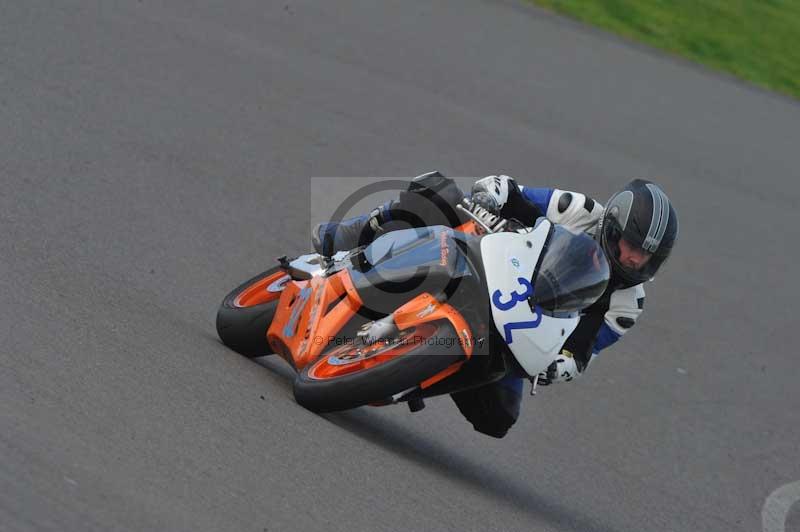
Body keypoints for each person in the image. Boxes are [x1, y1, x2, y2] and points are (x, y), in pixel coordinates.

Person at [312, 173, 679, 438]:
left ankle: (418, 368)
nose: (634, 259)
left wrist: (557, 368)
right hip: (491, 265)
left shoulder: (628, 304)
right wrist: (490, 196)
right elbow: (512, 192)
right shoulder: (578, 210)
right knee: (437, 194)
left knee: (498, 420)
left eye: (646, 255)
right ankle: (349, 234)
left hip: (517, 329)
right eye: (631, 245)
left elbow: (582, 353)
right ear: (612, 226)